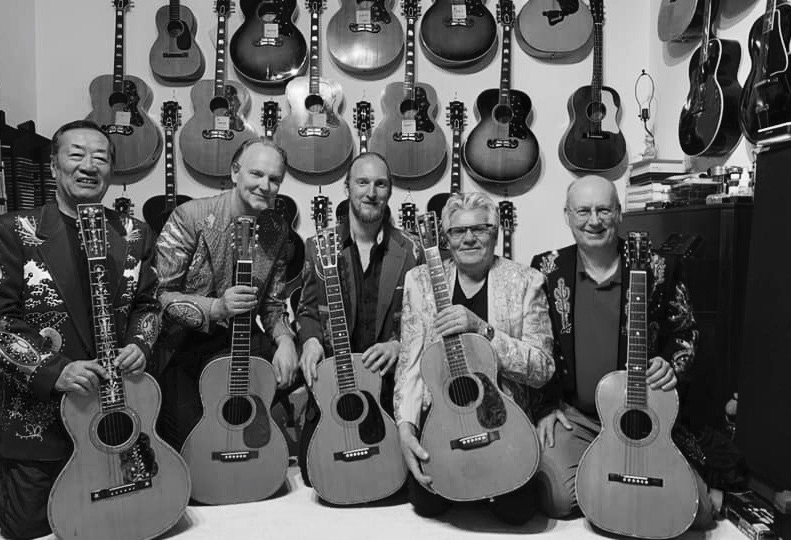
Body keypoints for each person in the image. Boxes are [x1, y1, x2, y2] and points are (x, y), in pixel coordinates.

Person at [0, 120, 160, 539]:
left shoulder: (134, 234)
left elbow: (149, 304)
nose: (88, 166)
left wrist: (140, 342)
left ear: (111, 172)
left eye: (100, 157)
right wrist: (51, 369)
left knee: (135, 499)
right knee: (28, 523)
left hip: (117, 406)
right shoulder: (10, 232)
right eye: (76, 154)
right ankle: (2, 461)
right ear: (54, 166)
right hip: (43, 411)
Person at [530, 175, 719, 527]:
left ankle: (628, 471)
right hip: (578, 417)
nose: (593, 220)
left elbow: (686, 332)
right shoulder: (547, 268)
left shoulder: (659, 268)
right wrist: (544, 407)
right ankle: (603, 461)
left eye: (603, 209)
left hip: (644, 416)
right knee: (559, 500)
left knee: (698, 514)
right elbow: (535, 344)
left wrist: (671, 365)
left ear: (619, 214)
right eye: (583, 211)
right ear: (567, 215)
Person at [394, 192, 555, 524]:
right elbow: (409, 363)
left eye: (479, 229)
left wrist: (483, 329)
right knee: (427, 503)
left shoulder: (526, 281)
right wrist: (406, 429)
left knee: (517, 511)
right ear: (446, 239)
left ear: (495, 232)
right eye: (457, 231)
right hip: (443, 413)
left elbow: (541, 368)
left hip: (503, 420)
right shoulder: (420, 282)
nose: (468, 238)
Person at [154, 138, 299, 451]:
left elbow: (272, 304)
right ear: (235, 172)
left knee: (305, 365)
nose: (265, 185)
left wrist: (286, 340)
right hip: (186, 348)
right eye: (256, 174)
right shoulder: (189, 217)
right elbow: (159, 297)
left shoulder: (277, 230)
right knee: (196, 448)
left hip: (242, 339)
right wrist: (216, 307)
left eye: (274, 179)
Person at [296, 152, 422, 491]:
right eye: (363, 182)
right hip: (337, 389)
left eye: (380, 184)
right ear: (347, 186)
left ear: (390, 191)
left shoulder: (412, 251)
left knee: (401, 474)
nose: (371, 192)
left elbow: (427, 318)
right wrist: (309, 340)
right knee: (315, 474)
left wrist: (399, 344)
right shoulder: (317, 247)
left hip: (390, 385)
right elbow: (307, 310)